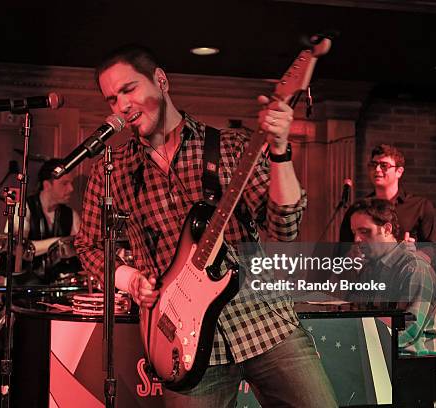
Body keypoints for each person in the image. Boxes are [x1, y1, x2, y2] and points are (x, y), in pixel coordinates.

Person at [74, 45, 337, 407]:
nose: (121, 106)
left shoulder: (229, 146)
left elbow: (285, 226)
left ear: (161, 81)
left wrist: (278, 150)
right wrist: (130, 280)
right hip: (179, 344)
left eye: (129, 89)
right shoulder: (113, 170)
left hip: (263, 322)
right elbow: (88, 246)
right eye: (111, 99)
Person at [349, 197, 436, 396]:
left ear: (387, 229)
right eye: (355, 233)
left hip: (416, 365)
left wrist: (359, 345)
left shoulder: (415, 268)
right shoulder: (370, 268)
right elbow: (357, 317)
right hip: (386, 359)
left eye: (364, 232)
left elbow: (407, 331)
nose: (357, 240)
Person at [339, 144, 436, 261]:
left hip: (406, 273)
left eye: (384, 165)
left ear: (399, 171)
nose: (377, 169)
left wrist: (414, 255)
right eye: (373, 165)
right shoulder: (357, 209)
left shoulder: (420, 206)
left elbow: (431, 247)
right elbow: (342, 251)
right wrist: (352, 255)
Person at [8, 158, 81, 285]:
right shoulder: (23, 208)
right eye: (65, 183)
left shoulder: (71, 214)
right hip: (24, 284)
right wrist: (59, 242)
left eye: (71, 183)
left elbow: (81, 245)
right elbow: (18, 247)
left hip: (59, 284)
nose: (71, 189)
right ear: (47, 185)